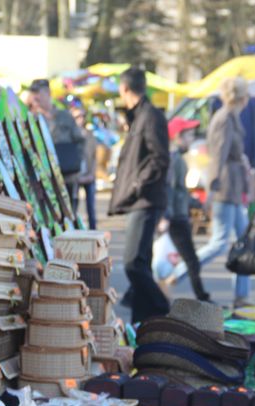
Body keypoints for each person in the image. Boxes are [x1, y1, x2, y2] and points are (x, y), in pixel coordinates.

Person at [178, 76, 251, 307]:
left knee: (243, 241)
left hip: (232, 185)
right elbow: (218, 155)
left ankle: (242, 295)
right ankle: (177, 272)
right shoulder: (225, 119)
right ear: (242, 97)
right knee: (220, 242)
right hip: (225, 187)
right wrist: (212, 187)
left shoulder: (229, 117)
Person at [108, 67, 170, 323]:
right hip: (141, 199)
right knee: (140, 263)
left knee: (133, 263)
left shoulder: (150, 116)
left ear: (124, 89)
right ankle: (144, 323)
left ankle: (165, 313)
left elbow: (160, 158)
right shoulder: (141, 116)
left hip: (145, 200)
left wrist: (136, 186)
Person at [164, 117, 210, 302]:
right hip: (176, 217)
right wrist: (167, 216)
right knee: (191, 260)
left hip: (177, 215)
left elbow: (180, 191)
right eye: (188, 135)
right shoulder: (175, 160)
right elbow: (171, 189)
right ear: (176, 137)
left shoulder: (177, 159)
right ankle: (202, 297)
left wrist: (196, 204)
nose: (191, 139)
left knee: (185, 260)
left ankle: (202, 295)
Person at [29, 78, 85, 203]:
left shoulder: (65, 116)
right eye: (33, 95)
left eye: (38, 94)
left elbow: (80, 140)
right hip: (43, 180)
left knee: (70, 213)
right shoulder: (31, 120)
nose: (35, 99)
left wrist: (76, 164)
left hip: (67, 177)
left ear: (48, 93)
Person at [70, 104, 98, 229]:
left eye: (82, 116)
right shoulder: (69, 135)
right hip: (74, 176)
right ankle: (73, 230)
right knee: (73, 207)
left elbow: (95, 156)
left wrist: (92, 174)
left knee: (91, 207)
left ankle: (93, 231)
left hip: (88, 175)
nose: (80, 119)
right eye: (77, 116)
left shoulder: (90, 135)